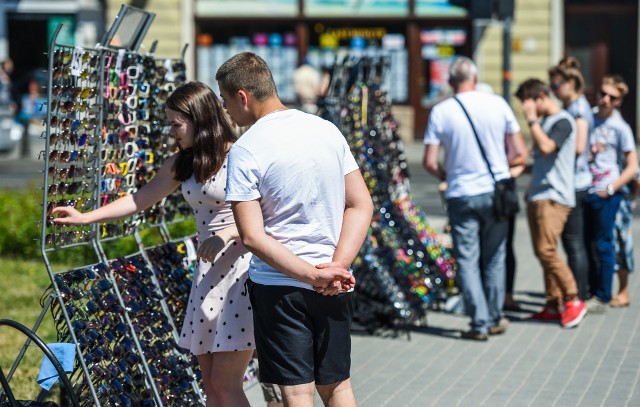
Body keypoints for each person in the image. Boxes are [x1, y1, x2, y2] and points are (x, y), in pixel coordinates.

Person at [52, 81, 257, 406]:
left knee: (226, 383)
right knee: (212, 387)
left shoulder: (243, 157)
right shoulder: (184, 162)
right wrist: (85, 218)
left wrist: (227, 234)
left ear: (199, 119)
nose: (171, 131)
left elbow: (265, 215)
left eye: (176, 124)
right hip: (207, 276)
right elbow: (140, 199)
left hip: (241, 274)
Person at [216, 52, 373, 407]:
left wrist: (310, 275)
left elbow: (253, 235)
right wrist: (336, 268)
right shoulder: (326, 129)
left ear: (243, 96)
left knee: (296, 391)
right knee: (338, 386)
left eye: (226, 101)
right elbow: (361, 204)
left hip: (280, 285)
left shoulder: (246, 148)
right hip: (334, 282)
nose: (226, 111)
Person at [423, 56, 526, 341]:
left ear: (451, 81)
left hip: (461, 194)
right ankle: (495, 317)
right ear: (476, 79)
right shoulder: (498, 104)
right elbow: (518, 151)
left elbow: (429, 161)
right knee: (495, 257)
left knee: (467, 260)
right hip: (495, 193)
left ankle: (478, 323)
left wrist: (449, 175)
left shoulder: (441, 111)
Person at [515, 78, 587, 328]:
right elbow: (541, 160)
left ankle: (573, 299)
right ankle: (552, 304)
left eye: (529, 103)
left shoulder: (563, 121)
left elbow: (547, 148)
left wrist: (532, 121)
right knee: (542, 252)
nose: (527, 110)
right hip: (538, 195)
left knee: (547, 251)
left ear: (542, 97)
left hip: (555, 197)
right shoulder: (545, 122)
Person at [584, 75, 638, 313]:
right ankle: (593, 289)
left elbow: (633, 166)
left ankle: (612, 292)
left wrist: (610, 189)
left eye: (611, 97)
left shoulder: (620, 127)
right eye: (602, 93)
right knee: (592, 244)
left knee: (612, 243)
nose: (605, 99)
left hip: (610, 192)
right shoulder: (588, 119)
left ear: (619, 101)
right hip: (588, 189)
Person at [548, 57, 593, 301]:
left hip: (575, 182)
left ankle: (579, 294)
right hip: (573, 181)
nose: (554, 91)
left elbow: (579, 146)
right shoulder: (573, 107)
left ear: (571, 82)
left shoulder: (578, 110)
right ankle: (576, 292)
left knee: (574, 243)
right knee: (573, 243)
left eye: (556, 86)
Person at [611, 171, 639, 307]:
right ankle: (621, 291)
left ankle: (623, 292)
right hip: (619, 200)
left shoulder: (623, 152)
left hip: (619, 202)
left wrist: (632, 198)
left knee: (622, 247)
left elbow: (637, 179)